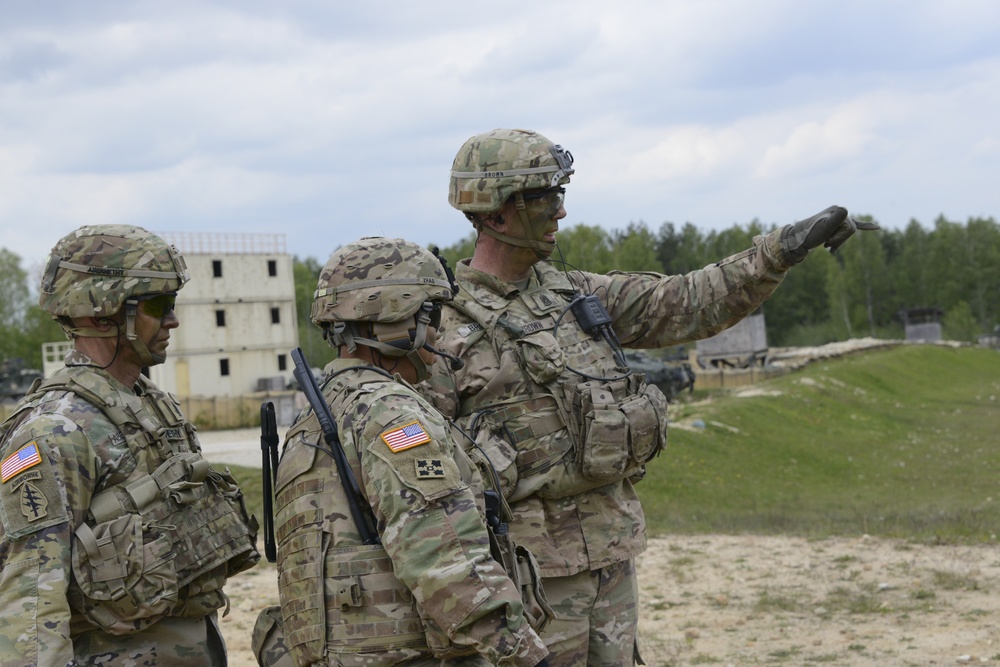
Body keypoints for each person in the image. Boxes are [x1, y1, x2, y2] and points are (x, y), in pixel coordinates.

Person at [419, 128, 880, 667]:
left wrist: (779, 252)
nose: (560, 212)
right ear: (495, 213)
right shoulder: (441, 330)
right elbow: (425, 488)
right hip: (527, 581)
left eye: (560, 194)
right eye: (544, 197)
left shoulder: (577, 295)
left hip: (611, 560)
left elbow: (684, 301)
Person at [254, 237, 551, 667]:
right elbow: (442, 555)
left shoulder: (314, 416)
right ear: (396, 321)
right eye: (430, 316)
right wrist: (524, 653)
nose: (438, 334)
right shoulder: (389, 412)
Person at [0, 225, 260, 666]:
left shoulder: (152, 404)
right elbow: (29, 601)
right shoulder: (53, 430)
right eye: (159, 306)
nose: (173, 320)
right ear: (103, 314)